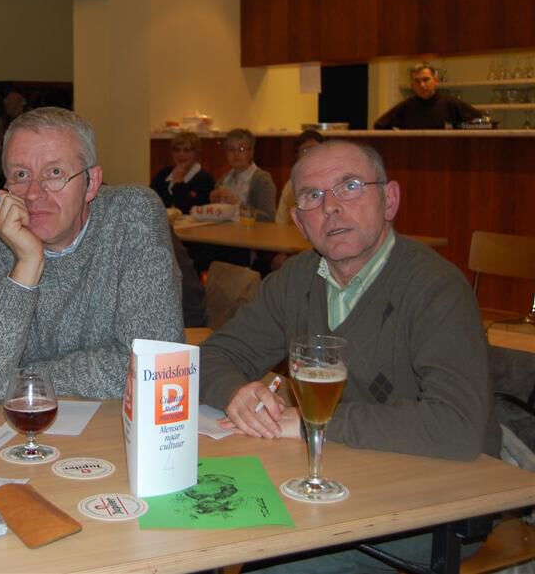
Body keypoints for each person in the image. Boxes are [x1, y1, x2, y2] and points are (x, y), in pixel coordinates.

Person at [199, 140, 500, 571]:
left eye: (350, 186)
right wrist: (235, 392)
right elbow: (214, 355)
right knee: (209, 527)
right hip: (331, 479)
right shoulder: (295, 280)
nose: (331, 207)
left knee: (276, 567)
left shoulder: (436, 288)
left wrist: (313, 423)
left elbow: (457, 427)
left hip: (440, 504)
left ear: (390, 200)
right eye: (312, 196)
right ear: (300, 222)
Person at [0, 107, 183, 407]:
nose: (33, 193)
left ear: (91, 183)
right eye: (21, 175)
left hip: (113, 428)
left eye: (54, 173)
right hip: (15, 431)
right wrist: (26, 266)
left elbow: (154, 365)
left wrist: (21, 379)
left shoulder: (131, 215)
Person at [375, 63, 482, 130]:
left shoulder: (451, 103)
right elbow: (380, 125)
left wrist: (456, 130)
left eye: (426, 80)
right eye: (417, 81)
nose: (422, 85)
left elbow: (480, 122)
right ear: (412, 85)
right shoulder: (406, 106)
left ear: (436, 81)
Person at [209, 128, 276, 222]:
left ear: (251, 152)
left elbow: (269, 218)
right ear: (226, 154)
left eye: (241, 149)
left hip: (251, 231)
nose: (236, 154)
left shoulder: (262, 179)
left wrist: (239, 204)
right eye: (231, 149)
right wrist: (213, 204)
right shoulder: (222, 180)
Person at [150, 132, 215, 213]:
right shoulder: (163, 174)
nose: (181, 154)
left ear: (197, 153)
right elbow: (150, 201)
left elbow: (189, 210)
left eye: (187, 150)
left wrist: (179, 184)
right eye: (177, 150)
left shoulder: (205, 180)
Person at [274, 129, 323, 225]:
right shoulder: (291, 185)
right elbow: (280, 221)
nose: (310, 154)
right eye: (305, 150)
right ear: (297, 157)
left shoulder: (334, 180)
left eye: (315, 149)